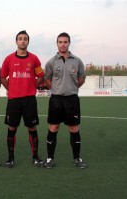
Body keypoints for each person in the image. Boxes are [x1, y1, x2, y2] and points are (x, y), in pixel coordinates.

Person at [0, 30, 45, 168]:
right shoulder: (9, 59)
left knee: (32, 127)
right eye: (20, 39)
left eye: (25, 38)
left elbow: (41, 76)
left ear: (28, 41)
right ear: (16, 41)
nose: (23, 41)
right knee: (12, 128)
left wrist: (33, 86)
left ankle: (36, 157)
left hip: (29, 100)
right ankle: (10, 158)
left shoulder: (34, 59)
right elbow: (2, 77)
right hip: (14, 100)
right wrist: (11, 88)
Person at [43, 32, 87, 169]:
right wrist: (56, 89)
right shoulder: (51, 62)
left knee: (74, 129)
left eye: (65, 42)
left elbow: (82, 78)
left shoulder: (77, 61)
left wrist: (72, 88)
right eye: (60, 42)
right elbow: (47, 79)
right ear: (57, 44)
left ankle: (77, 158)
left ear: (69, 43)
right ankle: (50, 159)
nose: (63, 44)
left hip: (72, 99)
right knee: (53, 128)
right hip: (56, 99)